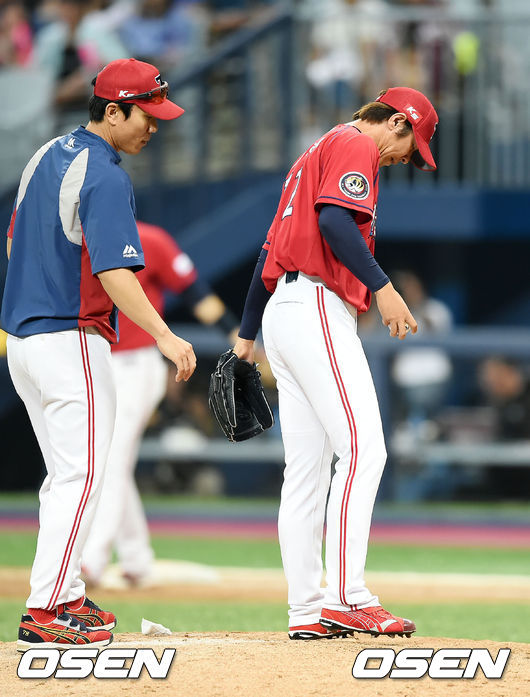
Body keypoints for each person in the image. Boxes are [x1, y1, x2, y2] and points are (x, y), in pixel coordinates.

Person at [0, 57, 196, 651]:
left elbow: (13, 241)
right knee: (83, 475)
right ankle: (45, 608)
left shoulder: (44, 155)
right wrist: (164, 335)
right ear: (113, 111)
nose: (154, 127)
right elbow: (114, 271)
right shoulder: (106, 175)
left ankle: (63, 595)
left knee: (66, 476)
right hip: (70, 338)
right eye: (146, 115)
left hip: (24, 342)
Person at [231, 86, 438, 640]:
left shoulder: (311, 155)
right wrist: (384, 288)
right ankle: (347, 597)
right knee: (366, 450)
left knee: (305, 471)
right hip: (318, 307)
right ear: (397, 122)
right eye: (412, 147)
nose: (406, 160)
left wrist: (247, 334)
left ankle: (306, 609)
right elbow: (335, 224)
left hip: (285, 310)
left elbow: (269, 251)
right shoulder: (355, 143)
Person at [82, 220, 238, 587]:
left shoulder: (150, 240)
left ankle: (91, 560)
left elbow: (196, 294)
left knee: (111, 458)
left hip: (136, 364)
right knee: (109, 460)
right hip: (95, 359)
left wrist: (237, 334)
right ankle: (136, 557)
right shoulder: (82, 238)